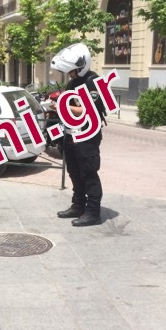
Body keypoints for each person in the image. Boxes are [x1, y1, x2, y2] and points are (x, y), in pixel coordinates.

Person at [50, 43, 107, 227]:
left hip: (87, 136)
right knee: (74, 172)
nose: (69, 74)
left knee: (88, 174)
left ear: (81, 67)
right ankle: (78, 206)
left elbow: (90, 110)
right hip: (71, 135)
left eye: (72, 71)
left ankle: (93, 213)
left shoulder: (93, 82)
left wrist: (64, 107)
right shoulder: (73, 82)